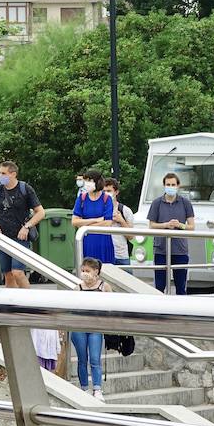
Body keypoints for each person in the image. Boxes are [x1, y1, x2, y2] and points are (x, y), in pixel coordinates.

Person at [0, 161, 45, 290]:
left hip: (20, 238)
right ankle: (12, 305)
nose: (0, 175)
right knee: (8, 275)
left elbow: (41, 212)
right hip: (3, 238)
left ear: (13, 174)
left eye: (3, 173)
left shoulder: (24, 189)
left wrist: (27, 226)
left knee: (18, 272)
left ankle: (31, 302)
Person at [146, 173, 194, 294]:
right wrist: (166, 225)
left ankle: (181, 311)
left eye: (173, 184)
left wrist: (179, 225)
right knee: (159, 287)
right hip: (161, 250)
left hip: (180, 250)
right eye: (168, 184)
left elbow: (191, 227)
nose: (170, 187)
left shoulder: (185, 203)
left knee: (181, 287)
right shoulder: (156, 203)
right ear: (164, 185)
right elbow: (151, 225)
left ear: (178, 186)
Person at [70, 257, 108, 398]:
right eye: (83, 270)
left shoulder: (104, 287)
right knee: (82, 359)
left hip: (95, 327)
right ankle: (84, 387)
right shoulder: (78, 288)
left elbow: (113, 304)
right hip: (79, 327)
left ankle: (97, 388)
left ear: (96, 271)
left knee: (95, 359)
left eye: (88, 271)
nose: (85, 273)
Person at [71, 169, 117, 266]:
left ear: (97, 181)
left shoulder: (106, 199)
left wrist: (84, 224)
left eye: (89, 180)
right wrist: (96, 220)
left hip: (103, 241)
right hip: (87, 241)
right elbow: (74, 221)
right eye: (86, 180)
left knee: (105, 271)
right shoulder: (82, 198)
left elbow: (108, 223)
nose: (87, 183)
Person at [102, 177, 134, 265]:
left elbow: (131, 236)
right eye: (104, 191)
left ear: (116, 192)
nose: (106, 194)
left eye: (109, 191)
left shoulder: (125, 210)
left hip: (121, 255)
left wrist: (121, 221)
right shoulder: (99, 210)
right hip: (104, 254)